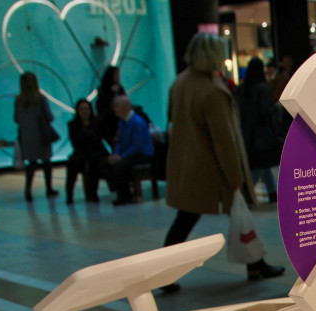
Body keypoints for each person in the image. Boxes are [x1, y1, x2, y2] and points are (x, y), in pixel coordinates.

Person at [160, 33, 284, 292]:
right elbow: (224, 140)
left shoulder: (180, 83)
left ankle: (164, 274)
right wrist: (235, 176)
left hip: (187, 165)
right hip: (211, 168)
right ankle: (255, 265)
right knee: (237, 213)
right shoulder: (212, 90)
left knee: (188, 218)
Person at [237, 57, 281, 204]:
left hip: (247, 130)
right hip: (261, 131)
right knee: (261, 162)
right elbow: (265, 110)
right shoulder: (263, 88)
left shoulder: (243, 88)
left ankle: (272, 192)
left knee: (261, 162)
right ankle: (249, 193)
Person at [14, 72, 58, 202]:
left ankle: (28, 189)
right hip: (41, 135)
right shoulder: (40, 98)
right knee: (46, 161)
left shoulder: (19, 100)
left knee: (31, 163)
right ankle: (49, 188)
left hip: (26, 137)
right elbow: (49, 117)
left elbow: (16, 119)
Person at [105, 95, 154, 206]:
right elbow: (119, 142)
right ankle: (121, 190)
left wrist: (121, 157)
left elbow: (137, 145)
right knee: (106, 163)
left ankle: (125, 195)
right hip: (129, 153)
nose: (114, 109)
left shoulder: (138, 122)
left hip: (142, 155)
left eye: (116, 106)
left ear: (125, 107)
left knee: (120, 165)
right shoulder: (122, 122)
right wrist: (115, 154)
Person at [64, 98, 109, 204]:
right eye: (81, 109)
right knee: (73, 162)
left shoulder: (97, 122)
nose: (84, 111)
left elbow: (106, 137)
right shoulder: (73, 124)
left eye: (86, 109)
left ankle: (93, 192)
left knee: (95, 160)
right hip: (81, 151)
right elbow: (74, 142)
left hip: (96, 150)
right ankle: (69, 194)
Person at [96, 66, 126, 144]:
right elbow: (101, 106)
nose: (118, 77)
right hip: (108, 121)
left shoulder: (120, 88)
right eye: (116, 74)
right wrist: (112, 93)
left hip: (122, 119)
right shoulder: (102, 90)